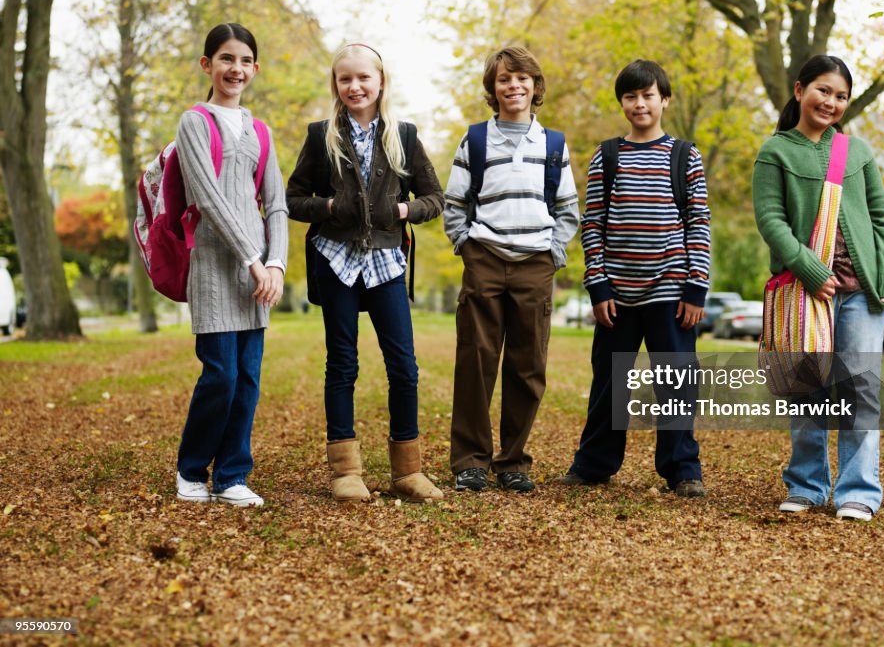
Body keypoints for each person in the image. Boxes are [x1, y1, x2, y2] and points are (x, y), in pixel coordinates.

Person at [286, 43, 444, 503]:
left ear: (380, 82)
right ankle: (345, 472)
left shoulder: (405, 136)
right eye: (344, 79)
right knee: (342, 364)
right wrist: (330, 205)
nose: (354, 86)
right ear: (336, 85)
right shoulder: (322, 136)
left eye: (363, 78)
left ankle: (408, 472)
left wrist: (403, 209)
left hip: (386, 264)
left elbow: (436, 199)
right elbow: (294, 198)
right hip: (336, 261)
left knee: (404, 367)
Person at [752, 54, 884, 522]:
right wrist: (809, 270)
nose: (831, 102)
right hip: (805, 293)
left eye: (841, 96)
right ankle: (807, 485)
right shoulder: (774, 151)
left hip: (861, 294)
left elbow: (883, 219)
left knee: (860, 389)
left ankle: (858, 491)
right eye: (823, 90)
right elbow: (771, 221)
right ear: (799, 91)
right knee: (808, 388)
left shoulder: (855, 153)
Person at [555, 60, 710, 497]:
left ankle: (682, 469)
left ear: (665, 99)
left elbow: (698, 221)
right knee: (609, 382)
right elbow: (594, 222)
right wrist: (598, 284)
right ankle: (593, 465)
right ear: (622, 102)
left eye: (647, 95)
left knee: (676, 382)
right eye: (630, 96)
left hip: (672, 290)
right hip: (617, 293)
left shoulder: (685, 155)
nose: (639, 104)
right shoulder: (608, 155)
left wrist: (696, 285)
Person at [444, 45, 579, 493]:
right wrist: (467, 245)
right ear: (493, 89)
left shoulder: (553, 144)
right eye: (504, 79)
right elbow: (455, 203)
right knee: (476, 361)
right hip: (484, 258)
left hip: (534, 265)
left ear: (535, 86)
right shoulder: (476, 140)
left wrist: (553, 253)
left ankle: (513, 461)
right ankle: (470, 462)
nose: (513, 85)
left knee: (527, 366)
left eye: (522, 77)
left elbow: (567, 209)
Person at [175, 23, 288, 508]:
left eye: (244, 61)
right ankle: (192, 469)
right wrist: (251, 260)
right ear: (207, 65)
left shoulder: (260, 130)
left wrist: (277, 263)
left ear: (255, 69)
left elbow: (276, 203)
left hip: (258, 277)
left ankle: (232, 475)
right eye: (225, 59)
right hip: (218, 271)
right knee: (219, 374)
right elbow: (209, 198)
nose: (235, 69)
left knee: (247, 380)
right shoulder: (195, 121)